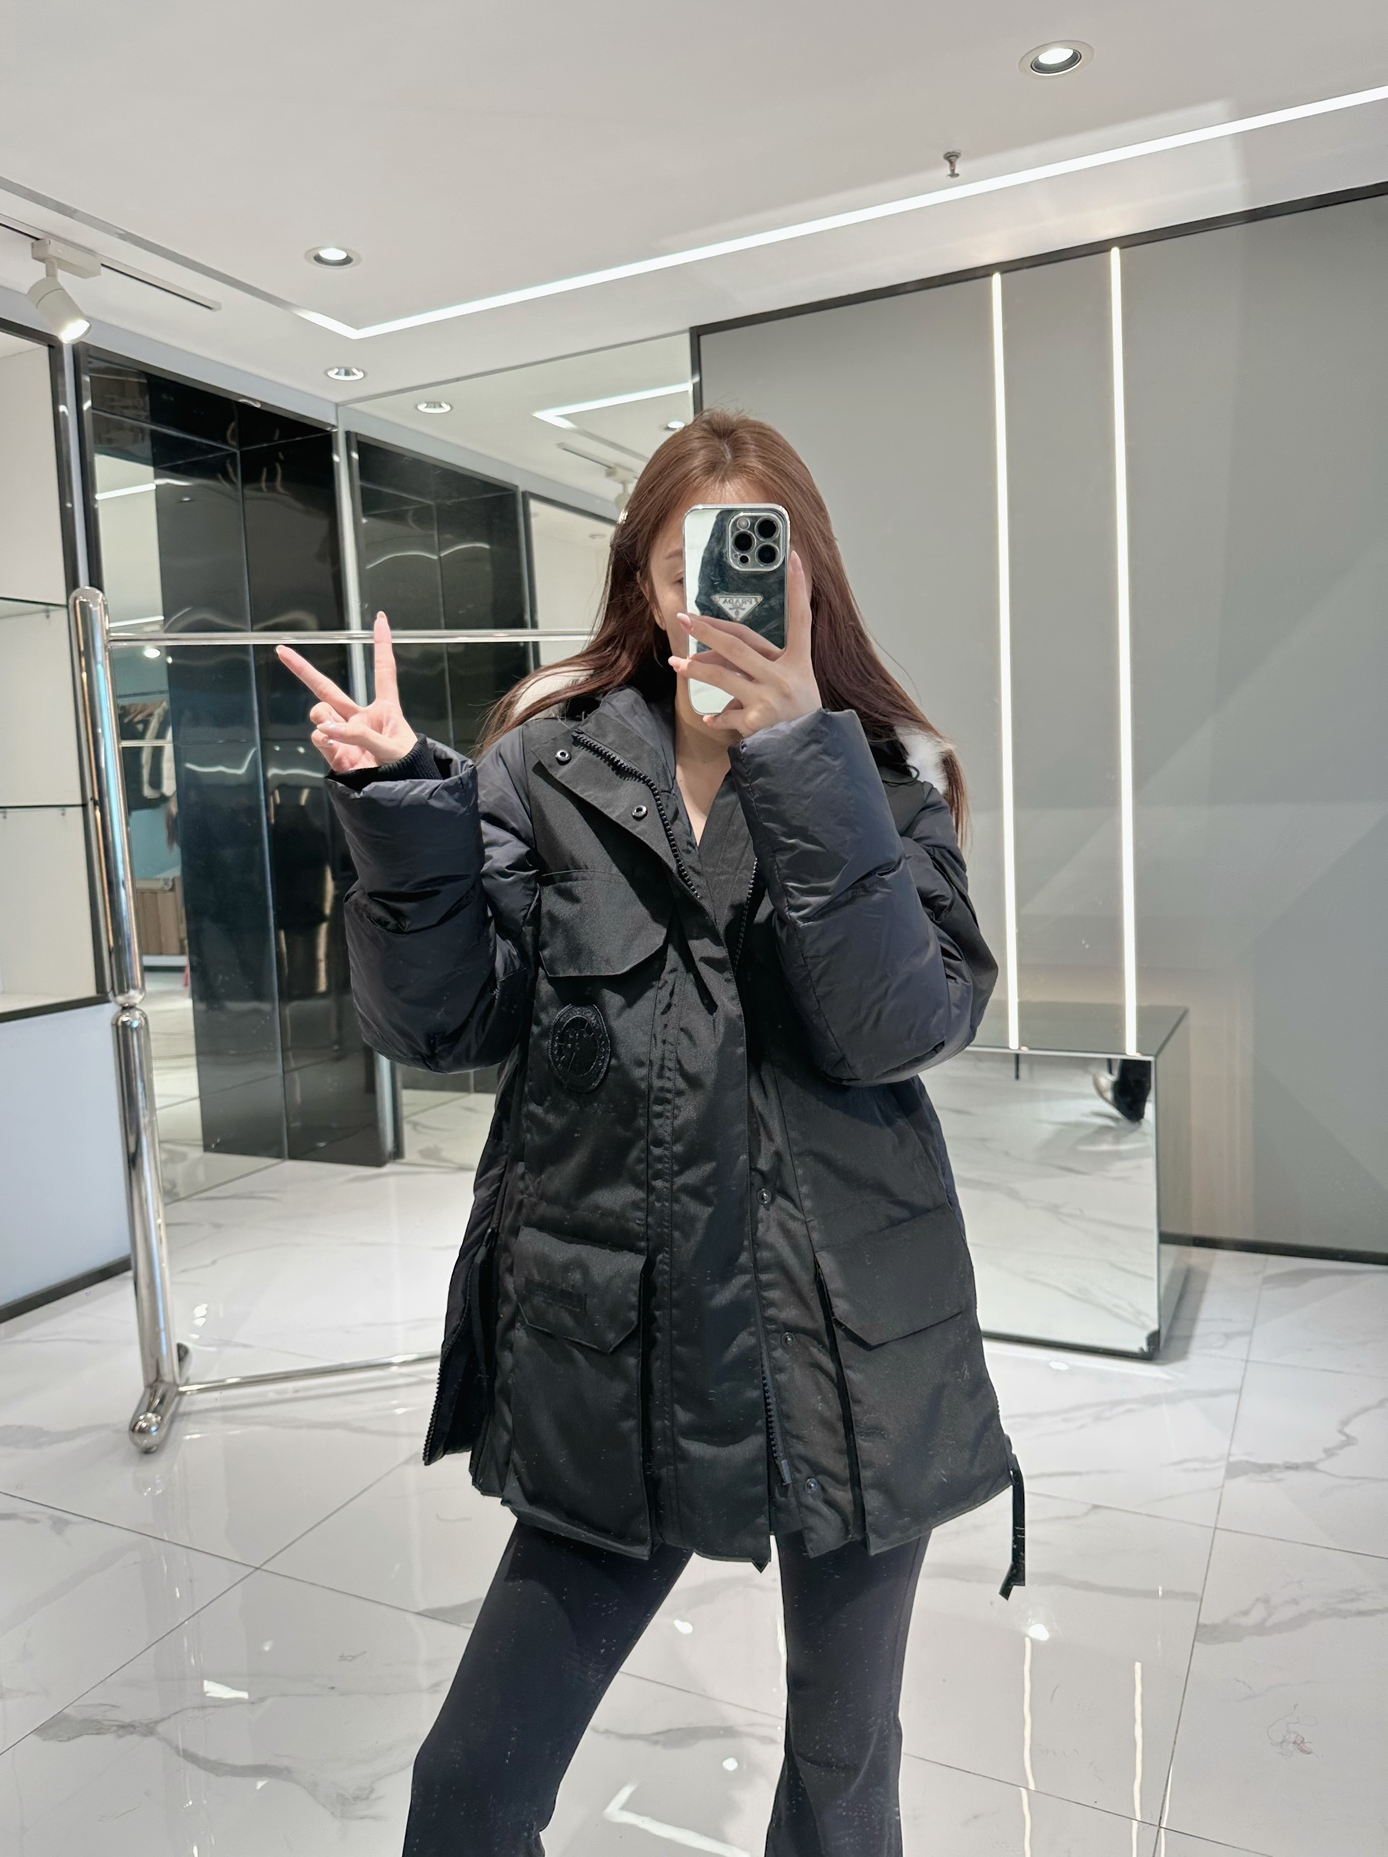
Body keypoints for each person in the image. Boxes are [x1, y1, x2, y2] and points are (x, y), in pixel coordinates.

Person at [278, 410, 1021, 1857]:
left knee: (840, 1793)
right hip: (612, 1350)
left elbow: (899, 1027)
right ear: (644, 581)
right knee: (469, 1793)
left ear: (805, 579)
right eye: (687, 568)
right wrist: (400, 809)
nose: (714, 600)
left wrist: (798, 756)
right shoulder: (543, 769)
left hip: (849, 1353)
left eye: (752, 563)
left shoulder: (884, 780)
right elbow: (447, 1025)